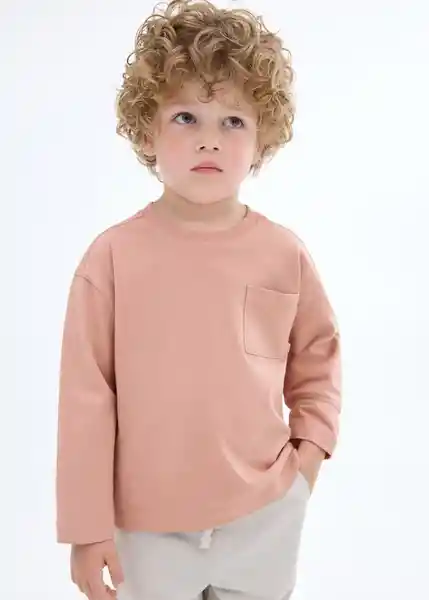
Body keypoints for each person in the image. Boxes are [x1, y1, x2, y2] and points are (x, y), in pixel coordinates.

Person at [55, 1, 342, 599]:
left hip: (265, 514)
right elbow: (86, 398)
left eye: (233, 121)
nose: (209, 141)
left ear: (262, 139)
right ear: (147, 129)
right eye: (186, 117)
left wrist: (308, 460)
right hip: (146, 528)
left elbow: (318, 358)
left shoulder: (283, 253)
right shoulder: (112, 258)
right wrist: (86, 528)